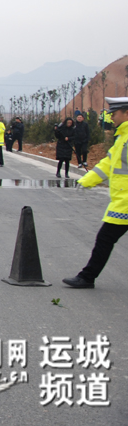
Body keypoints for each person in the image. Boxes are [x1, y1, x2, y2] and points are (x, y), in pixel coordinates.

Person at [62, 97, 128, 289]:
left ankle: (87, 277)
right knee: (106, 238)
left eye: (114, 113)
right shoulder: (122, 136)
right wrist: (87, 180)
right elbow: (109, 163)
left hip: (125, 201)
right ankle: (87, 277)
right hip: (122, 200)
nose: (111, 117)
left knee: (105, 238)